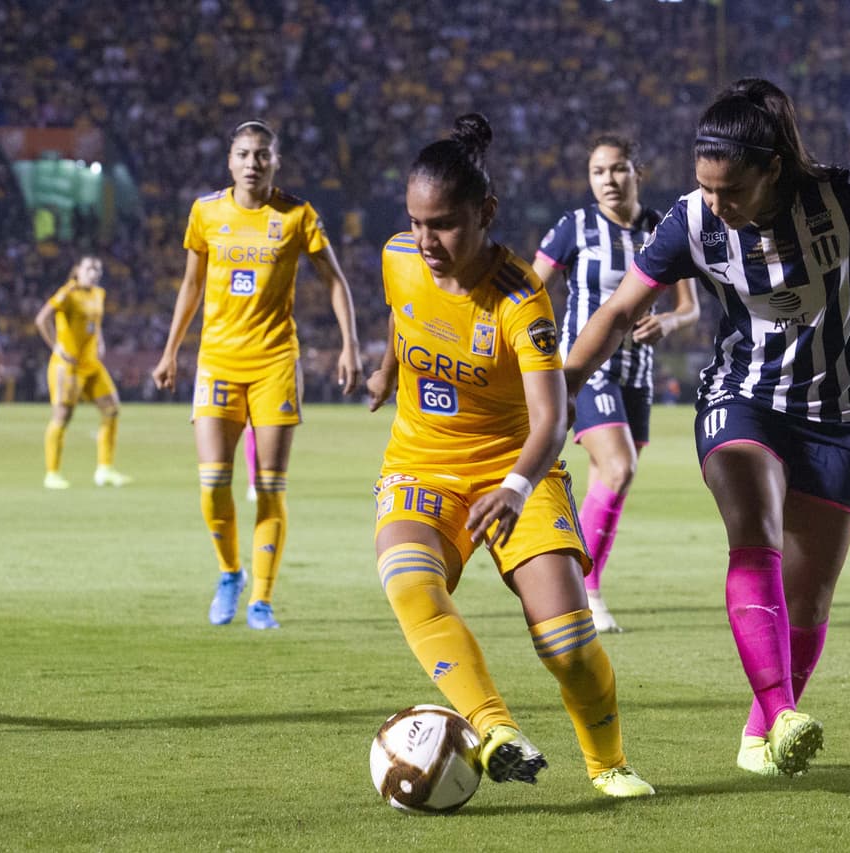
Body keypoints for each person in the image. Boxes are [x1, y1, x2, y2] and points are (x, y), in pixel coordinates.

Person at [562, 79, 850, 778]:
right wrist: (565, 386)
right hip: (743, 397)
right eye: (705, 187)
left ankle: (763, 730)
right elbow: (614, 312)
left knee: (810, 595)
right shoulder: (691, 221)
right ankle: (784, 707)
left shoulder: (841, 198)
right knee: (753, 528)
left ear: (772, 171)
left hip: (839, 415)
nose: (717, 204)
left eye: (730, 190)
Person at [366, 113, 654, 798]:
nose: (426, 241)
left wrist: (519, 486)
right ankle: (492, 729)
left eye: (444, 224)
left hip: (515, 470)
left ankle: (607, 762)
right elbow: (401, 312)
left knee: (566, 646)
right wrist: (385, 369)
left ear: (485, 212)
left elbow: (553, 417)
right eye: (416, 222)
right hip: (420, 464)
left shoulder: (522, 299)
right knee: (409, 583)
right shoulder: (398, 256)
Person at [152, 119, 362, 630]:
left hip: (274, 364)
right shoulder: (206, 212)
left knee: (270, 487)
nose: (252, 163)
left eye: (262, 155)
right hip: (218, 360)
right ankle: (230, 573)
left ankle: (262, 599)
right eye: (244, 154)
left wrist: (350, 344)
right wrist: (170, 349)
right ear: (230, 161)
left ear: (276, 162)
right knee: (212, 484)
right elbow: (191, 286)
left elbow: (335, 282)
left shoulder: (297, 216)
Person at [532, 134, 700, 633]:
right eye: (598, 172)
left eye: (619, 169)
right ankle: (583, 590)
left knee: (610, 483)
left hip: (636, 373)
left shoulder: (662, 229)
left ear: (637, 173)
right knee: (620, 467)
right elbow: (528, 290)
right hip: (588, 367)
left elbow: (688, 307)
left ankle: (577, 589)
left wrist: (667, 323)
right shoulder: (576, 227)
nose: (609, 180)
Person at [35, 254, 131, 489]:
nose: (94, 273)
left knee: (111, 409)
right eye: (90, 268)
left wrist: (100, 341)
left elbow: (94, 324)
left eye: (98, 270)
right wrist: (55, 345)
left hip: (92, 364)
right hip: (67, 366)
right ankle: (52, 473)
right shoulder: (68, 293)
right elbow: (41, 319)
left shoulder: (99, 293)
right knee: (62, 416)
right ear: (77, 270)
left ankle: (104, 469)